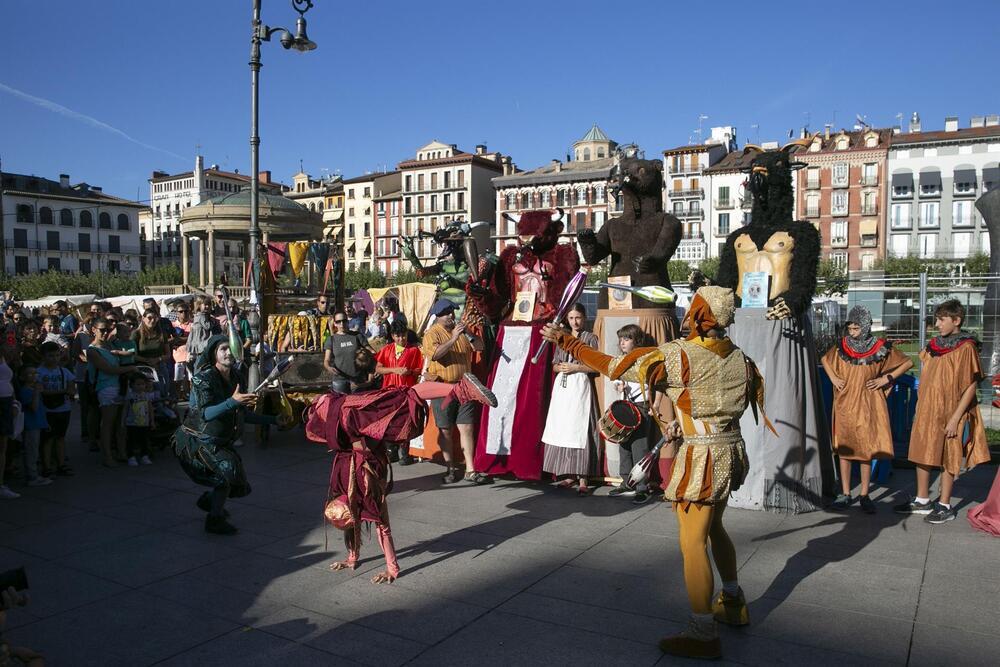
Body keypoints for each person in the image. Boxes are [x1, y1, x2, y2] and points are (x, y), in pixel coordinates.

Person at [542, 286, 771, 660]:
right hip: (730, 450)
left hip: (702, 458)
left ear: (699, 313)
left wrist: (567, 340)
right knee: (715, 528)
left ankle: (702, 631)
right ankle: (732, 602)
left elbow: (615, 367)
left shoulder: (678, 354)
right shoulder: (739, 357)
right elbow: (726, 401)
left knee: (692, 541)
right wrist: (687, 417)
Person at [309, 366, 498, 584]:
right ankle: (460, 388)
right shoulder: (345, 486)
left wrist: (391, 569)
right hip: (355, 442)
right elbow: (368, 526)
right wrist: (351, 558)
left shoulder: (351, 484)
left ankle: (461, 388)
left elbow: (380, 527)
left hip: (359, 451)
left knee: (406, 397)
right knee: (406, 396)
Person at [172, 335, 289, 535]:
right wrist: (233, 402)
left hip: (220, 441)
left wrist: (273, 420)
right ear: (214, 354)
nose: (228, 352)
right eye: (223, 349)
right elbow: (206, 414)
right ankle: (214, 519)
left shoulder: (236, 377)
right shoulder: (203, 378)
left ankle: (210, 502)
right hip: (197, 441)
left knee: (234, 480)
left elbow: (241, 414)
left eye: (230, 348)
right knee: (226, 475)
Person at [895, 300, 990, 524]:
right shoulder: (934, 345)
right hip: (929, 408)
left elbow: (970, 386)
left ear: (956, 321)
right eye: (936, 319)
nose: (936, 324)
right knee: (922, 450)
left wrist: (956, 418)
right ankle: (921, 499)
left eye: (941, 319)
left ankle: (945, 504)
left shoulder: (966, 347)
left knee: (949, 455)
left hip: (952, 411)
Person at [821, 305, 913, 513]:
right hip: (845, 403)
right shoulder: (842, 346)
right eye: (850, 328)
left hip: (869, 403)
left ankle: (864, 494)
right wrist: (833, 377)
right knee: (844, 450)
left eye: (856, 328)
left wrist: (886, 378)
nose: (852, 332)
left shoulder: (880, 347)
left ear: (865, 326)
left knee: (866, 450)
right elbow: (825, 360)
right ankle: (845, 493)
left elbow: (906, 363)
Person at [421, 299, 488, 485]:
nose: (451, 315)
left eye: (452, 311)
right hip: (442, 386)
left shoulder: (462, 331)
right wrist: (452, 339)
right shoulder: (431, 334)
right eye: (447, 312)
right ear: (438, 315)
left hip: (464, 386)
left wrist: (467, 334)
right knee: (446, 430)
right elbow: (434, 354)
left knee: (466, 427)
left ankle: (470, 470)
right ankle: (450, 468)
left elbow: (480, 347)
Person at [541, 303, 600, 495]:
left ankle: (583, 477)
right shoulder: (562, 338)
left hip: (581, 386)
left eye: (578, 318)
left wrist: (576, 368)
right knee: (564, 428)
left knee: (579, 429)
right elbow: (555, 364)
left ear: (584, 317)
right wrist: (561, 367)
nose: (575, 322)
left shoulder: (591, 338)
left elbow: (597, 366)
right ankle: (568, 474)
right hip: (563, 388)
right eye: (572, 318)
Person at [609, 324, 656, 504]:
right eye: (621, 339)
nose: (622, 342)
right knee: (624, 444)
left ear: (637, 341)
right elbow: (616, 379)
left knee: (640, 447)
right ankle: (626, 482)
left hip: (641, 405)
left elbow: (652, 383)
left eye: (626, 339)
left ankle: (642, 487)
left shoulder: (645, 359)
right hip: (626, 405)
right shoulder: (621, 359)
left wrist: (654, 404)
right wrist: (618, 385)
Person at [86, 317, 135, 467]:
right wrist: (130, 368)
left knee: (121, 422)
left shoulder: (111, 345)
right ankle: (107, 456)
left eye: (107, 329)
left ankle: (121, 452)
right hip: (106, 387)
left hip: (121, 385)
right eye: (102, 330)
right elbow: (108, 369)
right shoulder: (92, 350)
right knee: (108, 423)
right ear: (93, 330)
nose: (105, 332)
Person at [375, 320, 423, 465]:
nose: (401, 339)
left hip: (407, 391)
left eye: (403, 335)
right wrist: (393, 369)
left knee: (406, 421)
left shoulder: (414, 351)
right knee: (390, 421)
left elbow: (419, 370)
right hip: (389, 391)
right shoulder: (387, 349)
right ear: (392, 336)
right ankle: (391, 450)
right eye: (397, 336)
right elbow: (378, 368)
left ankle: (405, 452)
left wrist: (410, 372)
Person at [37, 342, 76, 478]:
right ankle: (46, 466)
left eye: (57, 355)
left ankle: (61, 464)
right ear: (43, 356)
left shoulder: (64, 371)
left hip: (63, 409)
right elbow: (41, 391)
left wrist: (66, 391)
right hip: (47, 410)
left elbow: (71, 389)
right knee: (47, 439)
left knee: (60, 437)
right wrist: (63, 391)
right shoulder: (39, 372)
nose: (54, 358)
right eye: (50, 356)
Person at [16, 366, 52, 486]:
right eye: (30, 374)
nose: (34, 376)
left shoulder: (34, 388)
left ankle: (34, 474)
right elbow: (34, 407)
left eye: (35, 373)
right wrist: (36, 392)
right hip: (30, 425)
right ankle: (32, 477)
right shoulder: (26, 390)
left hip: (38, 423)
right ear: (23, 377)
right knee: (31, 451)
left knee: (35, 450)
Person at [323, 310, 369, 395]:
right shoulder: (331, 339)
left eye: (344, 321)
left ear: (347, 321)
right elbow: (326, 360)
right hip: (339, 379)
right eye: (338, 321)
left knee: (358, 405)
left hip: (357, 379)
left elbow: (370, 351)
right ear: (335, 324)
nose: (341, 324)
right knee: (340, 405)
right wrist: (329, 367)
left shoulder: (357, 336)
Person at [132, 309, 172, 399]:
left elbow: (168, 354)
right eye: (149, 318)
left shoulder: (161, 333)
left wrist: (158, 359)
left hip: (160, 365)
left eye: (155, 318)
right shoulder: (136, 334)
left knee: (162, 392)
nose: (152, 320)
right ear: (143, 318)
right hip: (143, 368)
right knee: (146, 395)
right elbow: (132, 355)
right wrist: (148, 361)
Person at [123, 373, 156, 466]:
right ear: (132, 385)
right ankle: (131, 456)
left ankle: (144, 455)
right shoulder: (130, 396)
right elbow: (125, 409)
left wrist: (152, 421)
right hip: (132, 422)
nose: (140, 386)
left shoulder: (147, 396)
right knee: (131, 440)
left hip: (144, 422)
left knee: (144, 439)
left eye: (142, 384)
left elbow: (150, 409)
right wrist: (123, 421)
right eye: (138, 384)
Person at [0, 348, 19, 499]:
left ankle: (0, 484)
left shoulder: (2, 354)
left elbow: (7, 380)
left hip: (5, 403)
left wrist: (13, 402)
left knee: (3, 445)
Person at [171, 304, 192, 399]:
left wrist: (178, 339)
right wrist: (187, 338)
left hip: (190, 355)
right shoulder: (172, 325)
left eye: (186, 311)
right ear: (177, 313)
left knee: (191, 379)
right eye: (181, 311)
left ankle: (191, 397)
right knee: (177, 379)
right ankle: (177, 397)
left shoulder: (193, 324)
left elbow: (194, 339)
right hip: (177, 357)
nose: (184, 313)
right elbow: (171, 340)